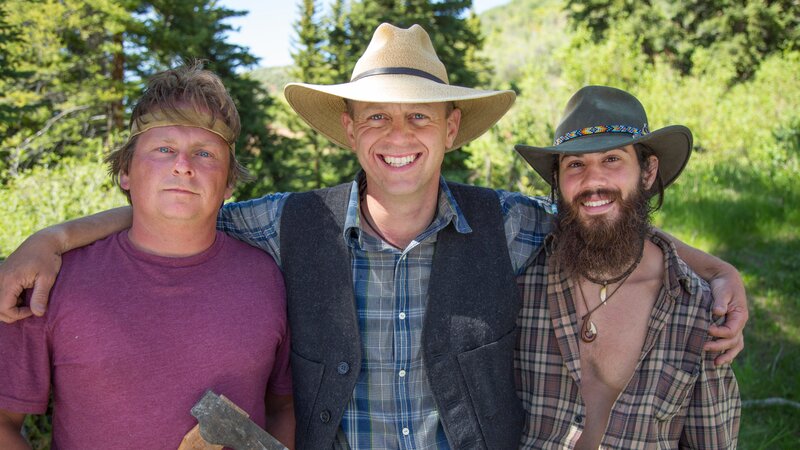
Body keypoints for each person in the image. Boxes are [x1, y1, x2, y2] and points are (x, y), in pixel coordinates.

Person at [0, 24, 746, 450]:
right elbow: (177, 210)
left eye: (420, 116)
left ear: (452, 128)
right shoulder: (287, 225)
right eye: (378, 116)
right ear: (350, 130)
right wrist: (54, 237)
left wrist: (717, 270)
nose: (398, 135)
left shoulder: (510, 225)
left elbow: (603, 216)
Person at [0, 64, 295, 449]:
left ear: (228, 182)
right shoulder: (51, 279)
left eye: (204, 153)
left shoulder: (266, 277)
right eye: (164, 149)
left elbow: (284, 407)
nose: (183, 166)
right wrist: (51, 239)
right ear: (126, 171)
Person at [514, 86, 741, 448]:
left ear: (648, 171)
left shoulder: (697, 309)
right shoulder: (520, 276)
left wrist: (722, 273)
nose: (593, 182)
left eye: (612, 160)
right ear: (556, 180)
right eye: (575, 164)